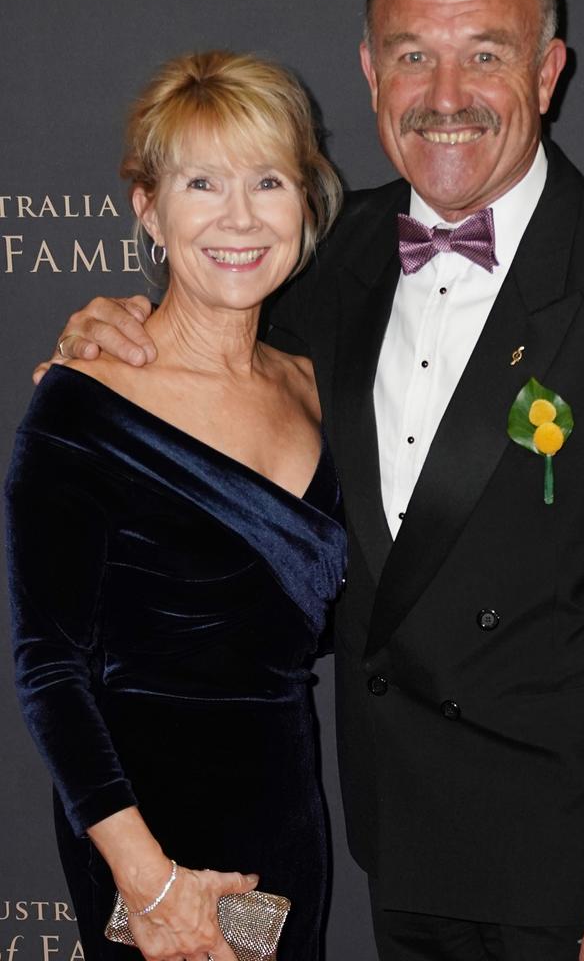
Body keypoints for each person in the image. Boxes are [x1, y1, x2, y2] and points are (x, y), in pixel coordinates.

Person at [38, 0, 584, 960]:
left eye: (486, 52)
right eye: (413, 55)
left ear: (548, 73)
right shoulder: (315, 253)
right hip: (394, 838)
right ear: (373, 74)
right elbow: (207, 339)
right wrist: (111, 325)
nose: (447, 92)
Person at [7, 50, 345, 961]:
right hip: (150, 849)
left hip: (285, 829)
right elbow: (48, 668)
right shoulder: (84, 398)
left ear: (305, 202)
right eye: (203, 182)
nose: (239, 218)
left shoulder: (318, 388)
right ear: (148, 209)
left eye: (268, 180)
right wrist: (149, 882)